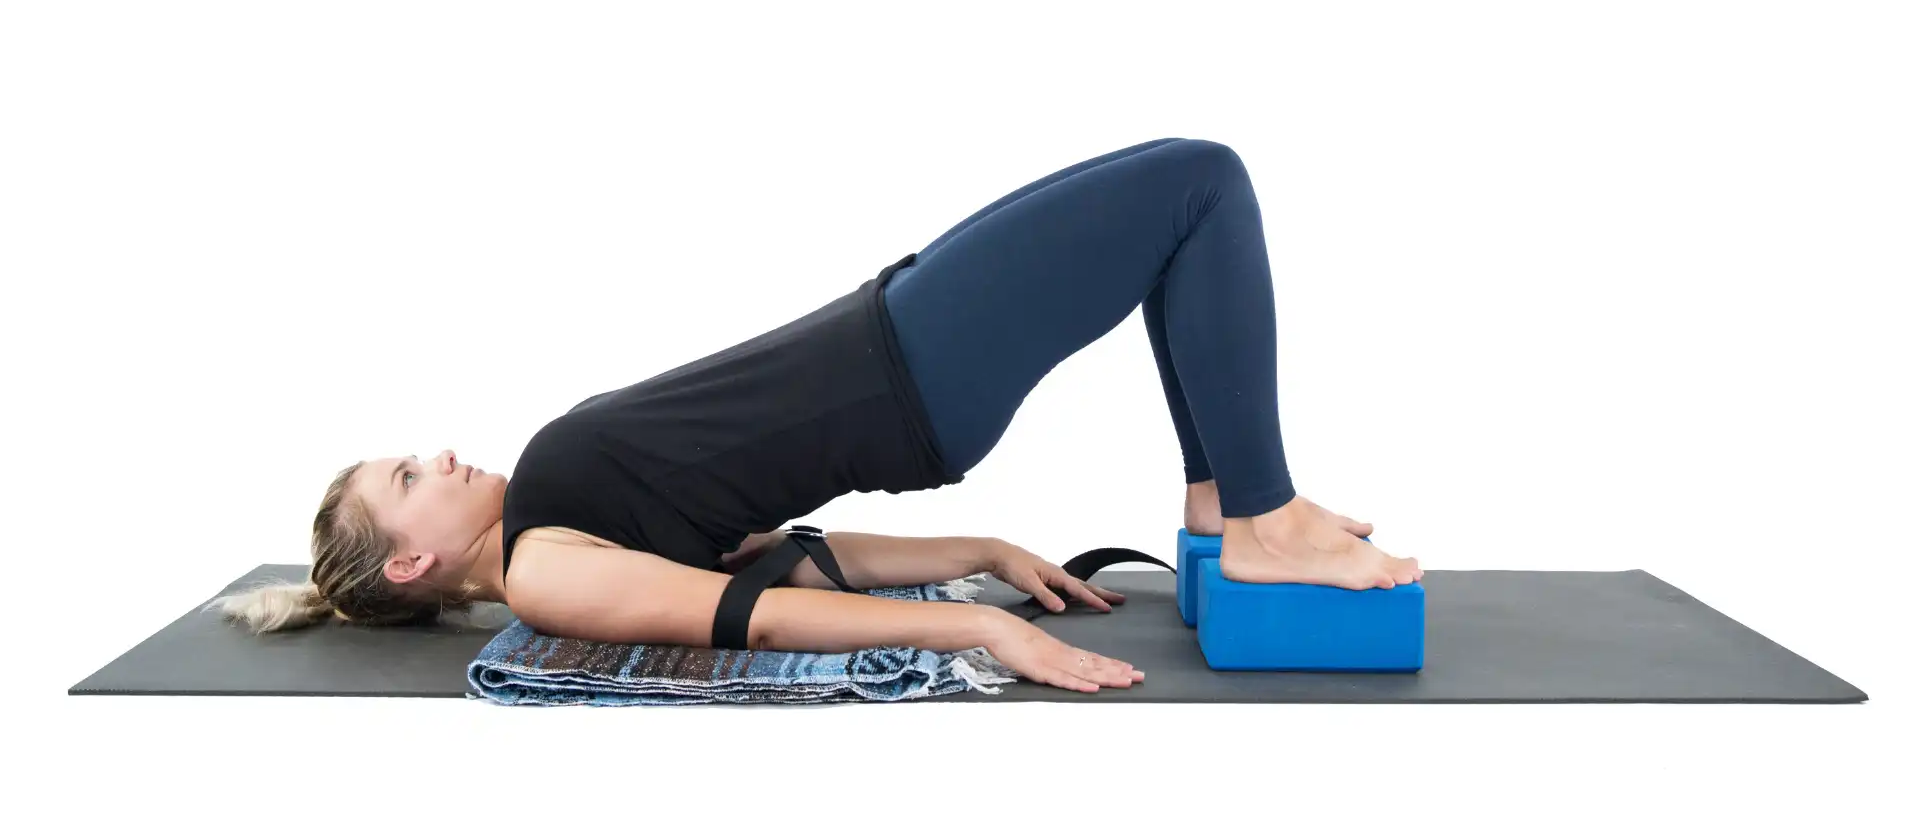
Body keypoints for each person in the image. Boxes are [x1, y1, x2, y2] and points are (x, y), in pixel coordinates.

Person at [209, 137, 1422, 694]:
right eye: (407, 476)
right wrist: (982, 635)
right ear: (414, 553)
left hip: (894, 327)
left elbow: (789, 550)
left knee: (1177, 199)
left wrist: (985, 554)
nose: (437, 454)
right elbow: (767, 615)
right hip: (910, 374)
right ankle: (1263, 518)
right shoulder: (545, 581)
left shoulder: (553, 516)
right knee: (1196, 185)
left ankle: (1224, 503)